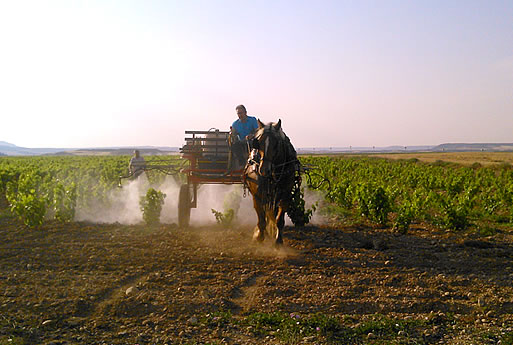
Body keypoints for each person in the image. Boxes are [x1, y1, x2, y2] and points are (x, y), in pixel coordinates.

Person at [230, 105, 258, 169]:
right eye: (238, 113)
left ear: (245, 112)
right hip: (242, 142)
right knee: (234, 145)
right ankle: (241, 163)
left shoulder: (253, 120)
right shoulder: (235, 124)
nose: (240, 115)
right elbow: (234, 135)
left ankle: (255, 162)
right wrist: (232, 134)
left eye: (241, 113)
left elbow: (257, 131)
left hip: (252, 141)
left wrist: (252, 135)